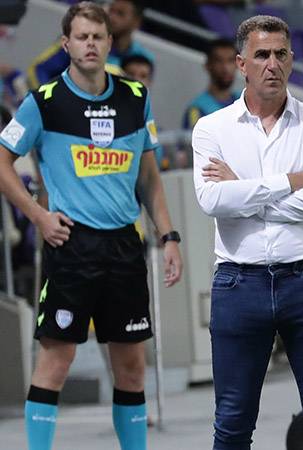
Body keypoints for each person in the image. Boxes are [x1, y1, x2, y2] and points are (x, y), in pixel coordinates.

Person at [0, 3, 182, 449]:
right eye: (81, 37)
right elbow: (2, 163)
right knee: (55, 364)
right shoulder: (44, 102)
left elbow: (149, 179)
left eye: (98, 37)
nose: (90, 45)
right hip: (71, 247)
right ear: (66, 44)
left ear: (109, 42)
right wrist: (39, 216)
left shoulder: (134, 97)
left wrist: (169, 236)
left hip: (124, 247)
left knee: (132, 368)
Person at [192, 15, 303, 450]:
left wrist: (242, 187)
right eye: (262, 55)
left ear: (292, 60)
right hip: (239, 283)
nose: (272, 64)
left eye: (281, 54)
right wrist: (288, 182)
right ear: (241, 64)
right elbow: (212, 201)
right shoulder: (211, 128)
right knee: (232, 421)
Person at [27, 0, 154, 89]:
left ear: (136, 22)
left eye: (120, 14)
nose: (112, 17)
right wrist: (50, 103)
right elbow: (38, 70)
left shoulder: (143, 59)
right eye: (111, 10)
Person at [121, 54, 168, 170]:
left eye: (143, 76)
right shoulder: (108, 119)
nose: (136, 80)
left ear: (150, 81)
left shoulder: (155, 129)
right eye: (131, 74)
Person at [182, 38, 241, 129]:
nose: (226, 68)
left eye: (230, 60)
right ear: (207, 65)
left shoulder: (245, 101)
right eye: (219, 61)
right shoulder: (197, 110)